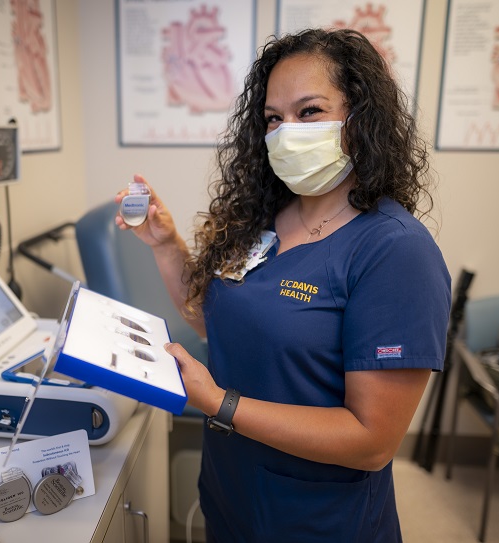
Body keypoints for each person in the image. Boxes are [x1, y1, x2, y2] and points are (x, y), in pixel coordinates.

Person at [115, 28, 451, 543]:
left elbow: (371, 440)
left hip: (315, 521)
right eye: (273, 118)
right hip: (231, 496)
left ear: (361, 118)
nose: (286, 132)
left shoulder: (395, 250)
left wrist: (219, 403)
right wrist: (164, 244)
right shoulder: (262, 218)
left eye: (309, 111)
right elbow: (216, 318)